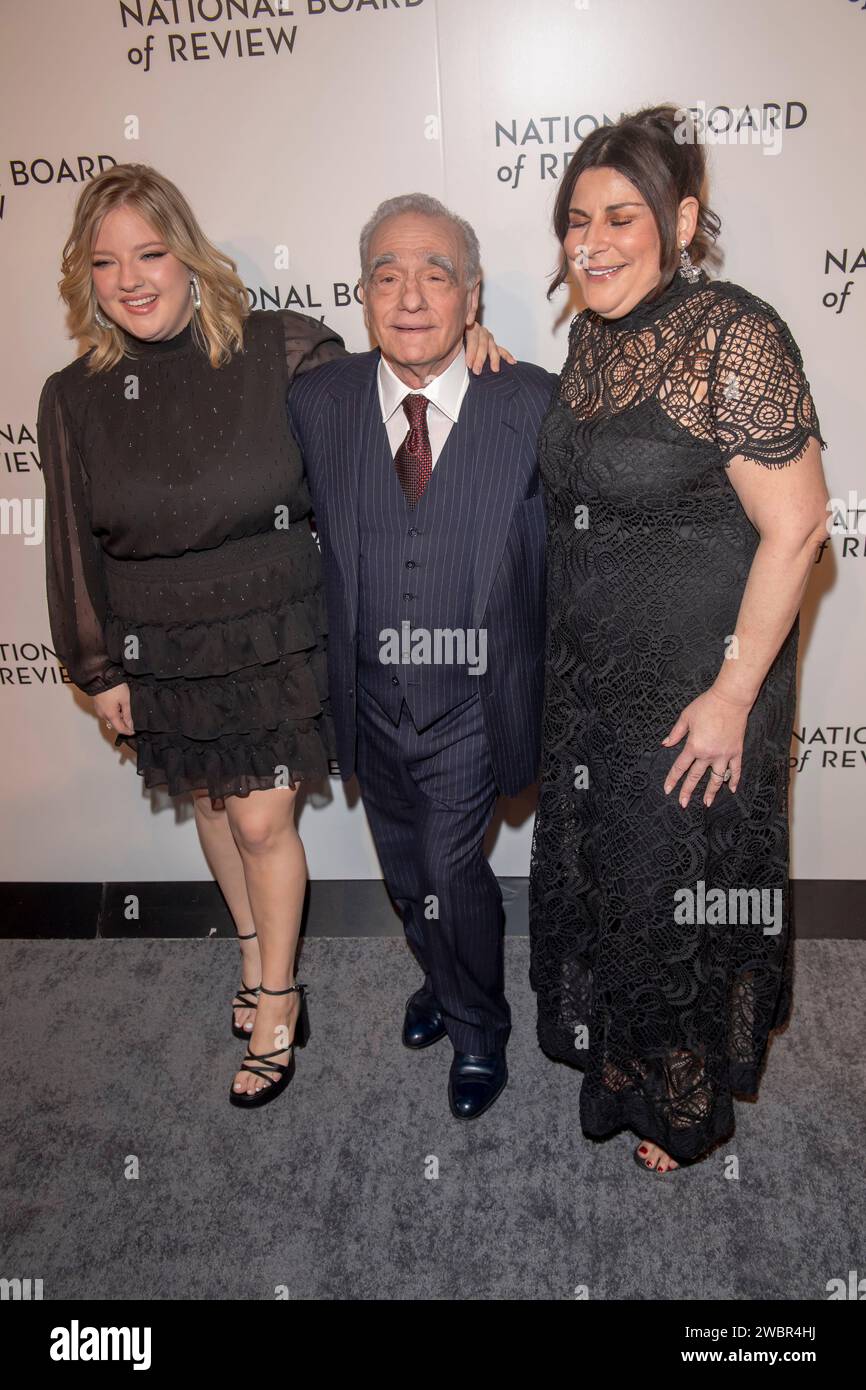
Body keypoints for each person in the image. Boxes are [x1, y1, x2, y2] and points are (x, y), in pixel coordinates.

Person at [36, 165, 502, 1110]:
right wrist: (94, 666)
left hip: (274, 625)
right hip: (157, 638)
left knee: (259, 819)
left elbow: (390, 387)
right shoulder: (72, 395)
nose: (131, 278)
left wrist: (463, 347)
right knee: (213, 805)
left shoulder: (279, 349)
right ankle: (253, 958)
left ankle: (282, 999)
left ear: (188, 253)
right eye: (106, 262)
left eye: (151, 252)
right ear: (85, 277)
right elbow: (69, 539)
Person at [528, 105, 830, 1173]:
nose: (591, 240)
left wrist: (734, 693)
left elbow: (797, 527)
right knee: (614, 881)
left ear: (681, 219)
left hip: (698, 685)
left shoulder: (730, 334)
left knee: (677, 891)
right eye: (575, 219)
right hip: (593, 684)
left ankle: (681, 1093)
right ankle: (625, 1060)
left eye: (619, 215)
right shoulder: (586, 339)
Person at [288, 193, 556, 1120]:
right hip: (366, 698)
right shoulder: (316, 399)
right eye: (388, 276)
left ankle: (479, 1030)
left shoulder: (529, 401)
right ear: (361, 294)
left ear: (471, 296)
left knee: (451, 867)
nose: (410, 297)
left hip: (472, 705)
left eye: (436, 275)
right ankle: (440, 980)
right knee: (406, 874)